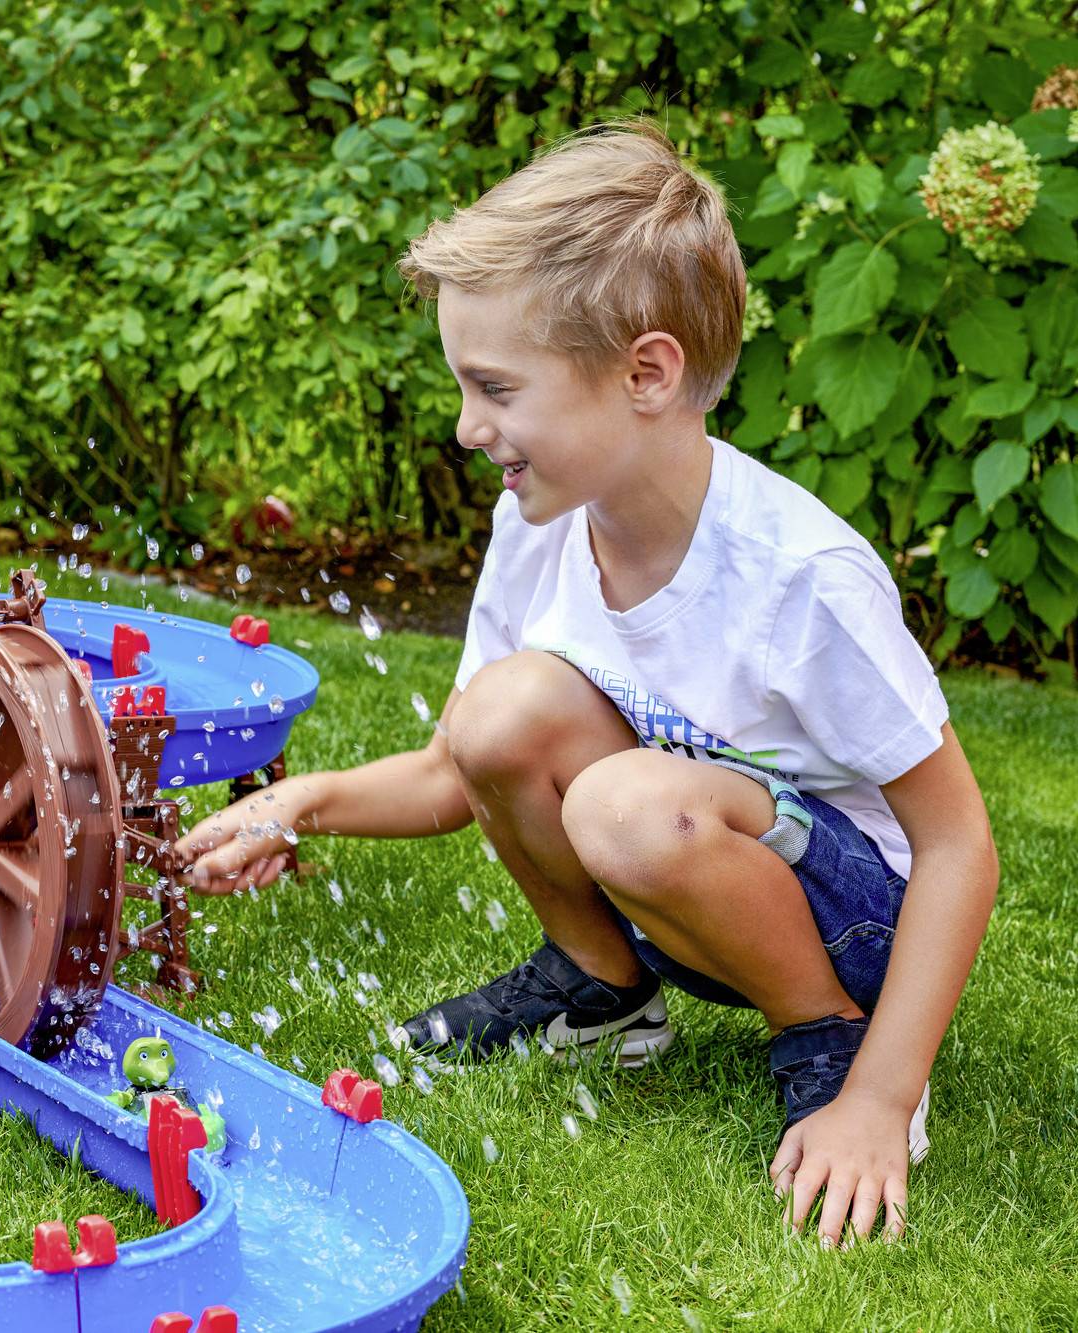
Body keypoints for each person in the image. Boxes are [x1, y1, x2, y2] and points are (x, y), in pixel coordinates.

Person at [174, 121, 998, 1249]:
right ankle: (601, 985)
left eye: (495, 389)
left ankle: (830, 1039)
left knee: (620, 805)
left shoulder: (798, 578)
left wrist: (881, 1097)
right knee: (500, 711)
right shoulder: (541, 523)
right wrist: (296, 803)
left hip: (854, 924)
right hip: (674, 874)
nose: (469, 428)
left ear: (645, 374)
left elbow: (957, 845)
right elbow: (456, 768)